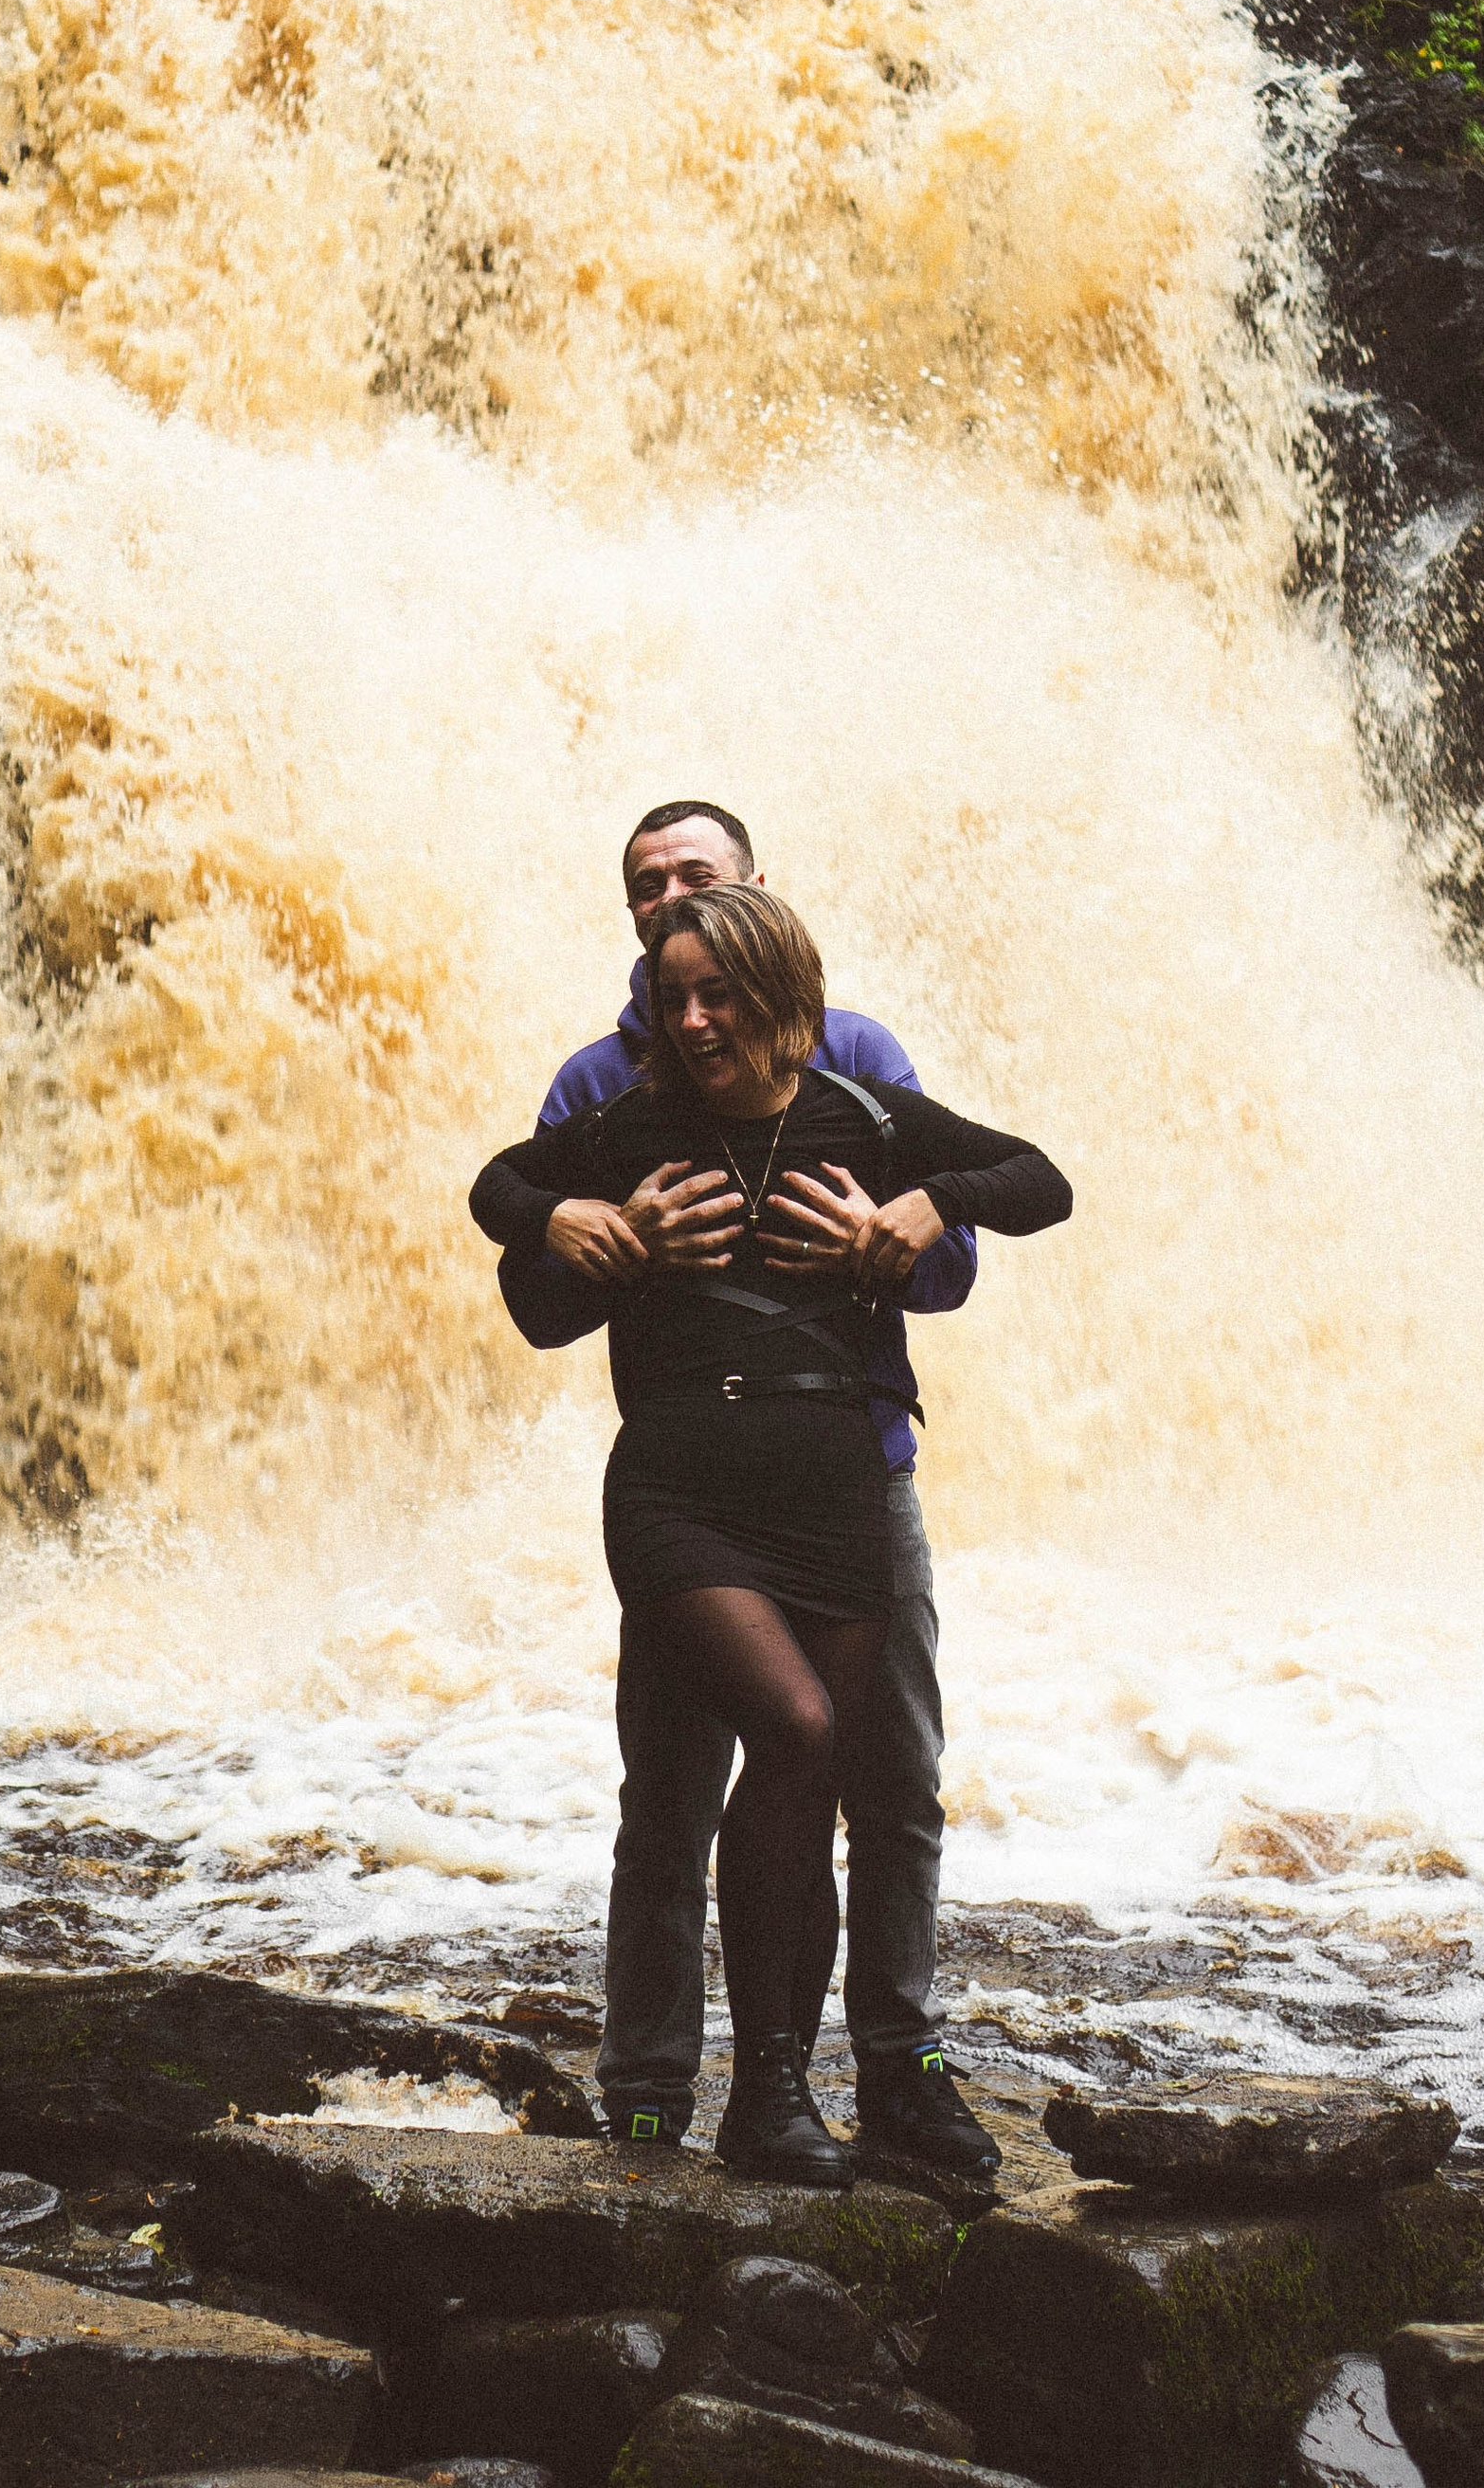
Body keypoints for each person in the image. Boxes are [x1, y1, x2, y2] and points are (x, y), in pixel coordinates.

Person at [470, 880, 1071, 2185]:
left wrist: (923, 1209)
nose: (688, 1019)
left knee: (848, 1776)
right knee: (773, 1742)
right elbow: (501, 1202)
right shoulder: (632, 1115)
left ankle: (793, 2091)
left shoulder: (865, 1110)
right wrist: (576, 1221)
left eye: (714, 994)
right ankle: (670, 2089)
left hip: (845, 1489)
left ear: (782, 991)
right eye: (669, 992)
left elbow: (1039, 1183)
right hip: (684, 1490)